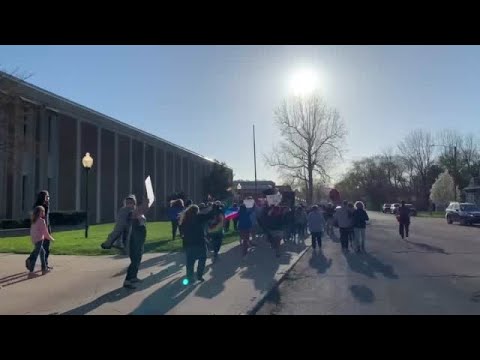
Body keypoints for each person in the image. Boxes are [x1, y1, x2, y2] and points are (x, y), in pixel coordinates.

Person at [179, 204, 214, 284]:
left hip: (189, 243)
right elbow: (209, 216)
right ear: (196, 211)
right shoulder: (198, 217)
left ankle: (190, 277)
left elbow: (182, 232)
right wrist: (212, 207)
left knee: (190, 262)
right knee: (202, 259)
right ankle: (199, 275)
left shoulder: (184, 220)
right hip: (200, 242)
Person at [123, 196, 150, 289]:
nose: (129, 204)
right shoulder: (128, 213)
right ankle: (127, 280)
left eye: (131, 202)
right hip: (132, 240)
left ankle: (133, 277)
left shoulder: (136, 212)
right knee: (134, 260)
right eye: (127, 203)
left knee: (137, 259)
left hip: (139, 240)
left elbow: (141, 222)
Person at [27, 206, 55, 278]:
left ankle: (44, 269)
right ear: (38, 212)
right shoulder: (41, 221)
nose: (44, 213)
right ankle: (31, 272)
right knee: (36, 256)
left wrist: (33, 239)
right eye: (42, 211)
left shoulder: (34, 220)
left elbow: (32, 231)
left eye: (44, 211)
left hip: (35, 240)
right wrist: (51, 239)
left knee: (43, 253)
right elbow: (45, 233)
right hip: (39, 240)